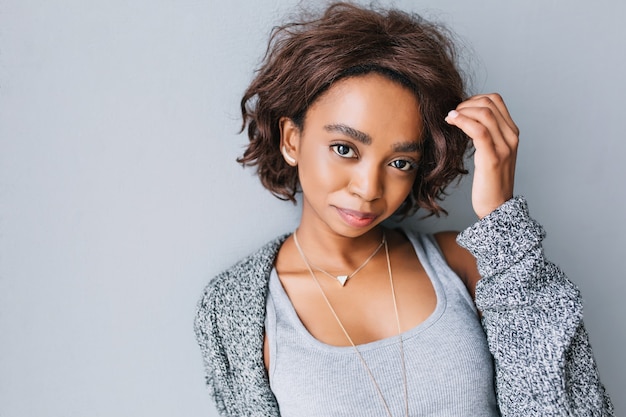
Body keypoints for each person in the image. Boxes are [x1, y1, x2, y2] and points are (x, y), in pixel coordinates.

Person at [194, 2, 613, 416]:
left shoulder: (470, 265)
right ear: (291, 140)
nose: (368, 188)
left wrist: (500, 220)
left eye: (399, 163)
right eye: (344, 149)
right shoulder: (237, 309)